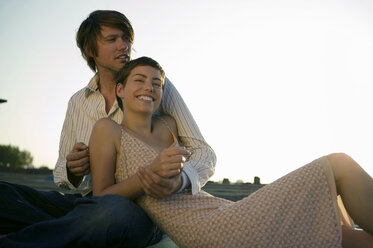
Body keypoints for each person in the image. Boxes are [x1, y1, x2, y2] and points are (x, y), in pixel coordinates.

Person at [89, 56, 373, 248]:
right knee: (337, 165)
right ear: (121, 89)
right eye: (139, 80)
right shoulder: (108, 130)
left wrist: (178, 177)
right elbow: (100, 195)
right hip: (205, 230)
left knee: (339, 234)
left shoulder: (169, 125)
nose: (149, 87)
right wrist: (146, 177)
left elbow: (203, 157)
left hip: (222, 209)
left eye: (157, 83)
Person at [0, 10, 216, 248]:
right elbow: (62, 174)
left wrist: (179, 181)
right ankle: (72, 228)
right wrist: (74, 170)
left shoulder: (154, 85)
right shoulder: (78, 102)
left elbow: (202, 150)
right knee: (6, 195)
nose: (124, 46)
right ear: (90, 51)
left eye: (127, 39)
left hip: (138, 210)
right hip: (87, 202)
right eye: (112, 40)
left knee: (108, 214)